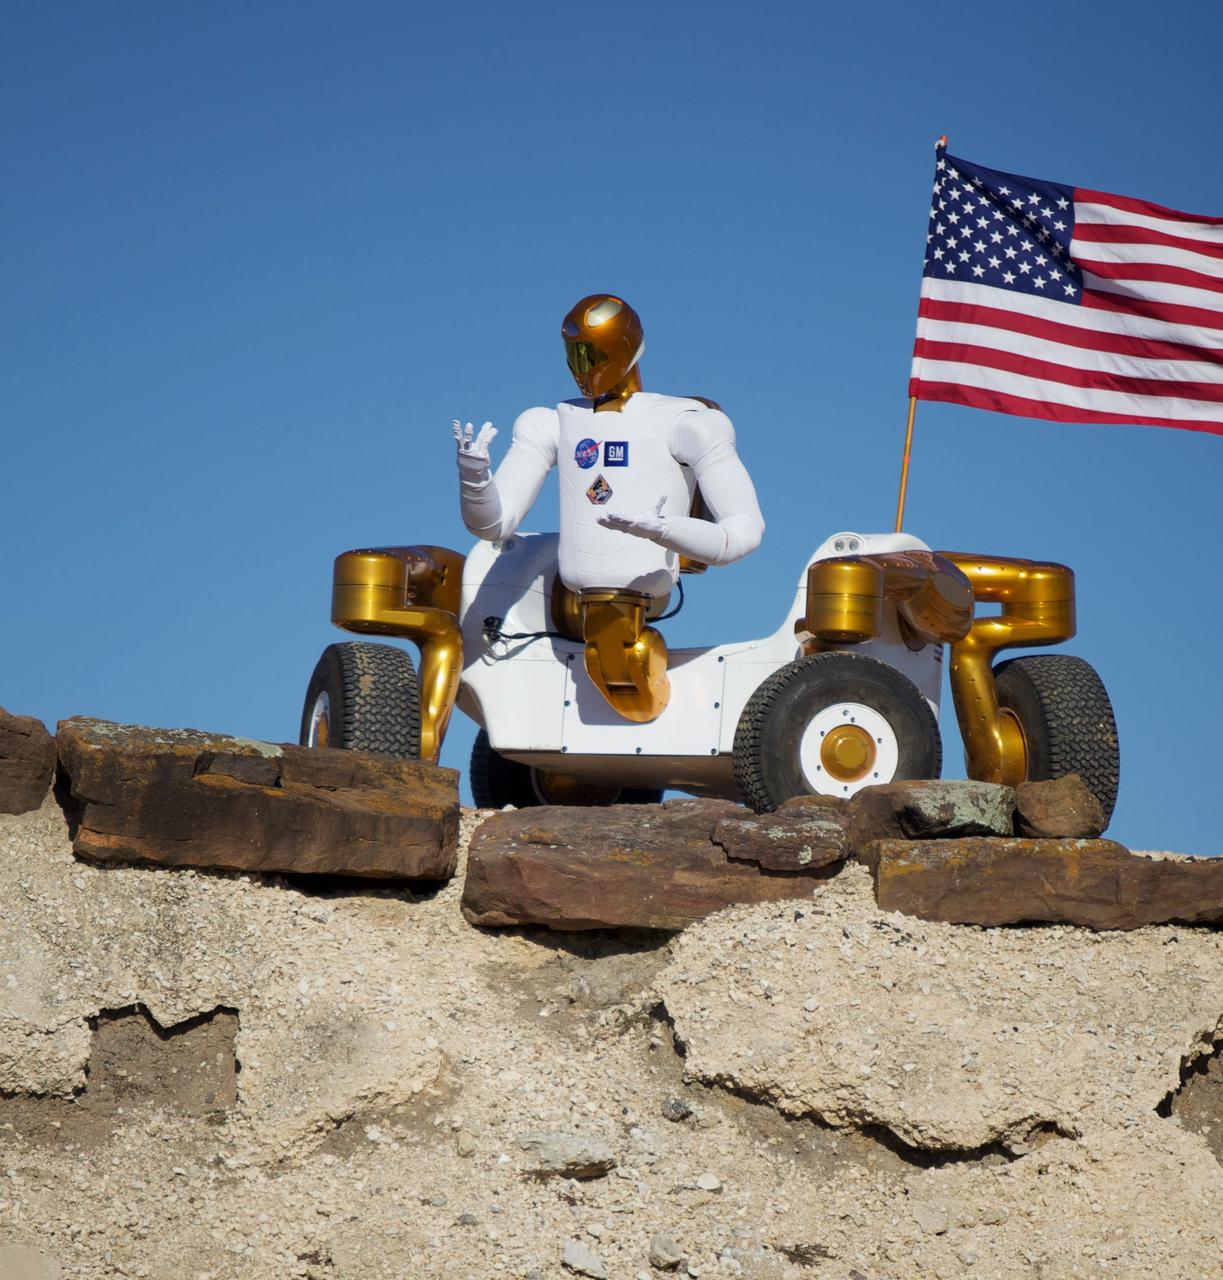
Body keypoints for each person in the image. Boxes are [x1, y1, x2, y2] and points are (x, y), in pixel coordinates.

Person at [451, 293, 764, 720]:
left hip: (642, 592)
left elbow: (743, 531)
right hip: (580, 596)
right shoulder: (553, 422)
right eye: (572, 356)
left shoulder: (685, 422)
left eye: (588, 355)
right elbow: (494, 524)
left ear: (621, 350)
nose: (580, 370)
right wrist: (475, 477)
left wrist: (665, 529)